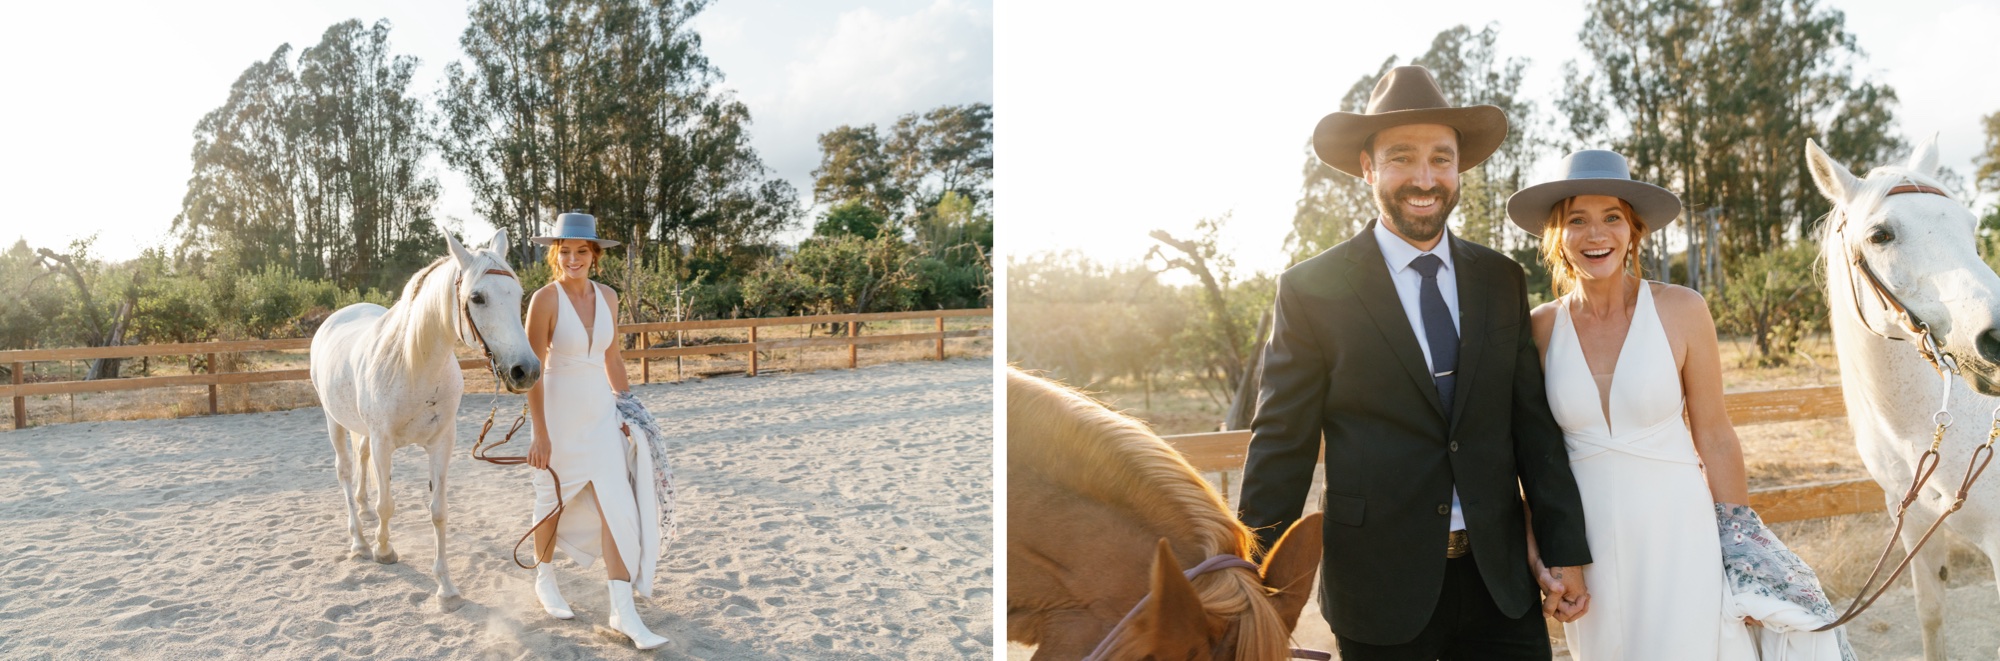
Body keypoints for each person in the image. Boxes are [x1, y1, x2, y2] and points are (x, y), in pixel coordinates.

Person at [1238, 65, 1593, 660]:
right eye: (1402, 157)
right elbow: (1282, 443)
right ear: (1368, 168)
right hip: (1377, 589)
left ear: (1459, 169)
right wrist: (1247, 576)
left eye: (1441, 158)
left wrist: (1564, 549)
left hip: (1499, 585)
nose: (1424, 178)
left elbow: (1533, 427)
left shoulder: (1500, 279)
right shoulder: (1310, 289)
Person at [1510, 150, 1850, 660]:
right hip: (1587, 543)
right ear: (1557, 236)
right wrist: (1549, 556)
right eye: (1577, 220)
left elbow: (1714, 435)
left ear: (1634, 231)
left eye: (1612, 219)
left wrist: (1741, 552)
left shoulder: (1682, 310)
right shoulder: (1538, 326)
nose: (1595, 235)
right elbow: (1535, 455)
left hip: (1679, 527)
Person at [522, 211, 667, 650]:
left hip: (603, 417)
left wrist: (629, 410)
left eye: (581, 251)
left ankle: (622, 611)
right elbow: (531, 372)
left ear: (594, 255)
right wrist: (540, 433)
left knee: (618, 508)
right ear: (555, 255)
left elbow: (613, 359)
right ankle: (544, 580)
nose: (572, 259)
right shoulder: (544, 300)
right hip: (559, 418)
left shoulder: (609, 297)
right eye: (564, 251)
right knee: (552, 502)